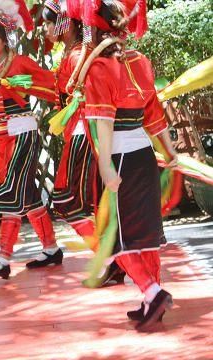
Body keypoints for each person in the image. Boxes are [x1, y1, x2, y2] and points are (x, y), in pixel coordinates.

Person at [83, 0, 177, 331]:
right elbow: (152, 112)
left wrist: (106, 167)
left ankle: (153, 292)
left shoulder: (99, 67)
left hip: (120, 158)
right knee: (146, 234)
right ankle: (152, 301)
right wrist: (169, 149)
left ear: (93, 31)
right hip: (143, 156)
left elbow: (104, 122)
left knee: (114, 237)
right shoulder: (140, 60)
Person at [0, 0, 64, 279]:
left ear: (4, 37)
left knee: (11, 192)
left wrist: (24, 86)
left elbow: (50, 85)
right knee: (28, 196)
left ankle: (4, 256)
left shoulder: (19, 62)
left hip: (22, 134)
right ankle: (51, 247)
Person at [43, 0, 126, 286]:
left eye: (50, 21)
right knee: (75, 201)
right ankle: (111, 258)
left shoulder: (80, 54)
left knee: (67, 200)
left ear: (66, 21)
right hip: (77, 132)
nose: (46, 27)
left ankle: (111, 258)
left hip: (83, 131)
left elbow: (90, 96)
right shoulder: (74, 52)